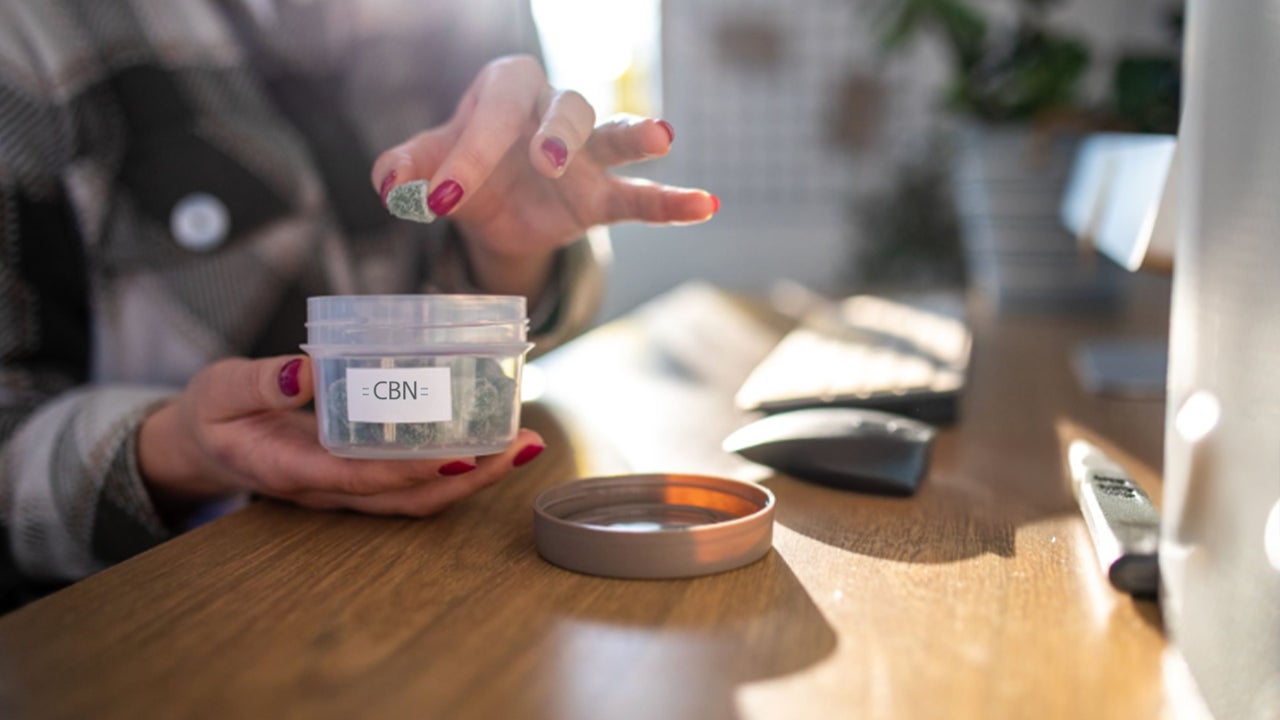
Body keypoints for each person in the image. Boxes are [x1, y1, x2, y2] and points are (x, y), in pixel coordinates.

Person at [0, 0, 716, 608]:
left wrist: (510, 255)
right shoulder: (33, 32)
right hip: (180, 609)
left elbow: (508, 339)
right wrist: (181, 448)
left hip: (466, 571)